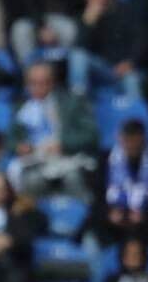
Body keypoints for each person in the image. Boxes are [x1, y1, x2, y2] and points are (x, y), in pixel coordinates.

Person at [7, 62, 98, 200]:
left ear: (52, 83)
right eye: (33, 83)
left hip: (67, 157)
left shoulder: (71, 102)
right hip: (35, 160)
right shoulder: (21, 107)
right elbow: (10, 139)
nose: (37, 88)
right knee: (31, 180)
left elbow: (91, 135)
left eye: (43, 83)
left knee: (72, 178)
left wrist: (62, 143)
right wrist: (19, 146)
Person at [69, 0, 143, 98]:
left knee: (131, 79)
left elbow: (139, 41)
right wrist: (88, 24)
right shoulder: (84, 17)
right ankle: (78, 100)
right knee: (77, 55)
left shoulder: (127, 11)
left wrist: (130, 62)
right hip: (101, 68)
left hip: (124, 67)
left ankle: (136, 113)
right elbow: (79, 49)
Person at [103, 119, 148, 245]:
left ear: (143, 140)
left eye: (135, 140)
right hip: (110, 223)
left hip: (146, 223)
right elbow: (98, 194)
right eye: (128, 140)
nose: (132, 145)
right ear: (121, 139)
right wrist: (109, 212)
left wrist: (145, 214)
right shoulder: (105, 161)